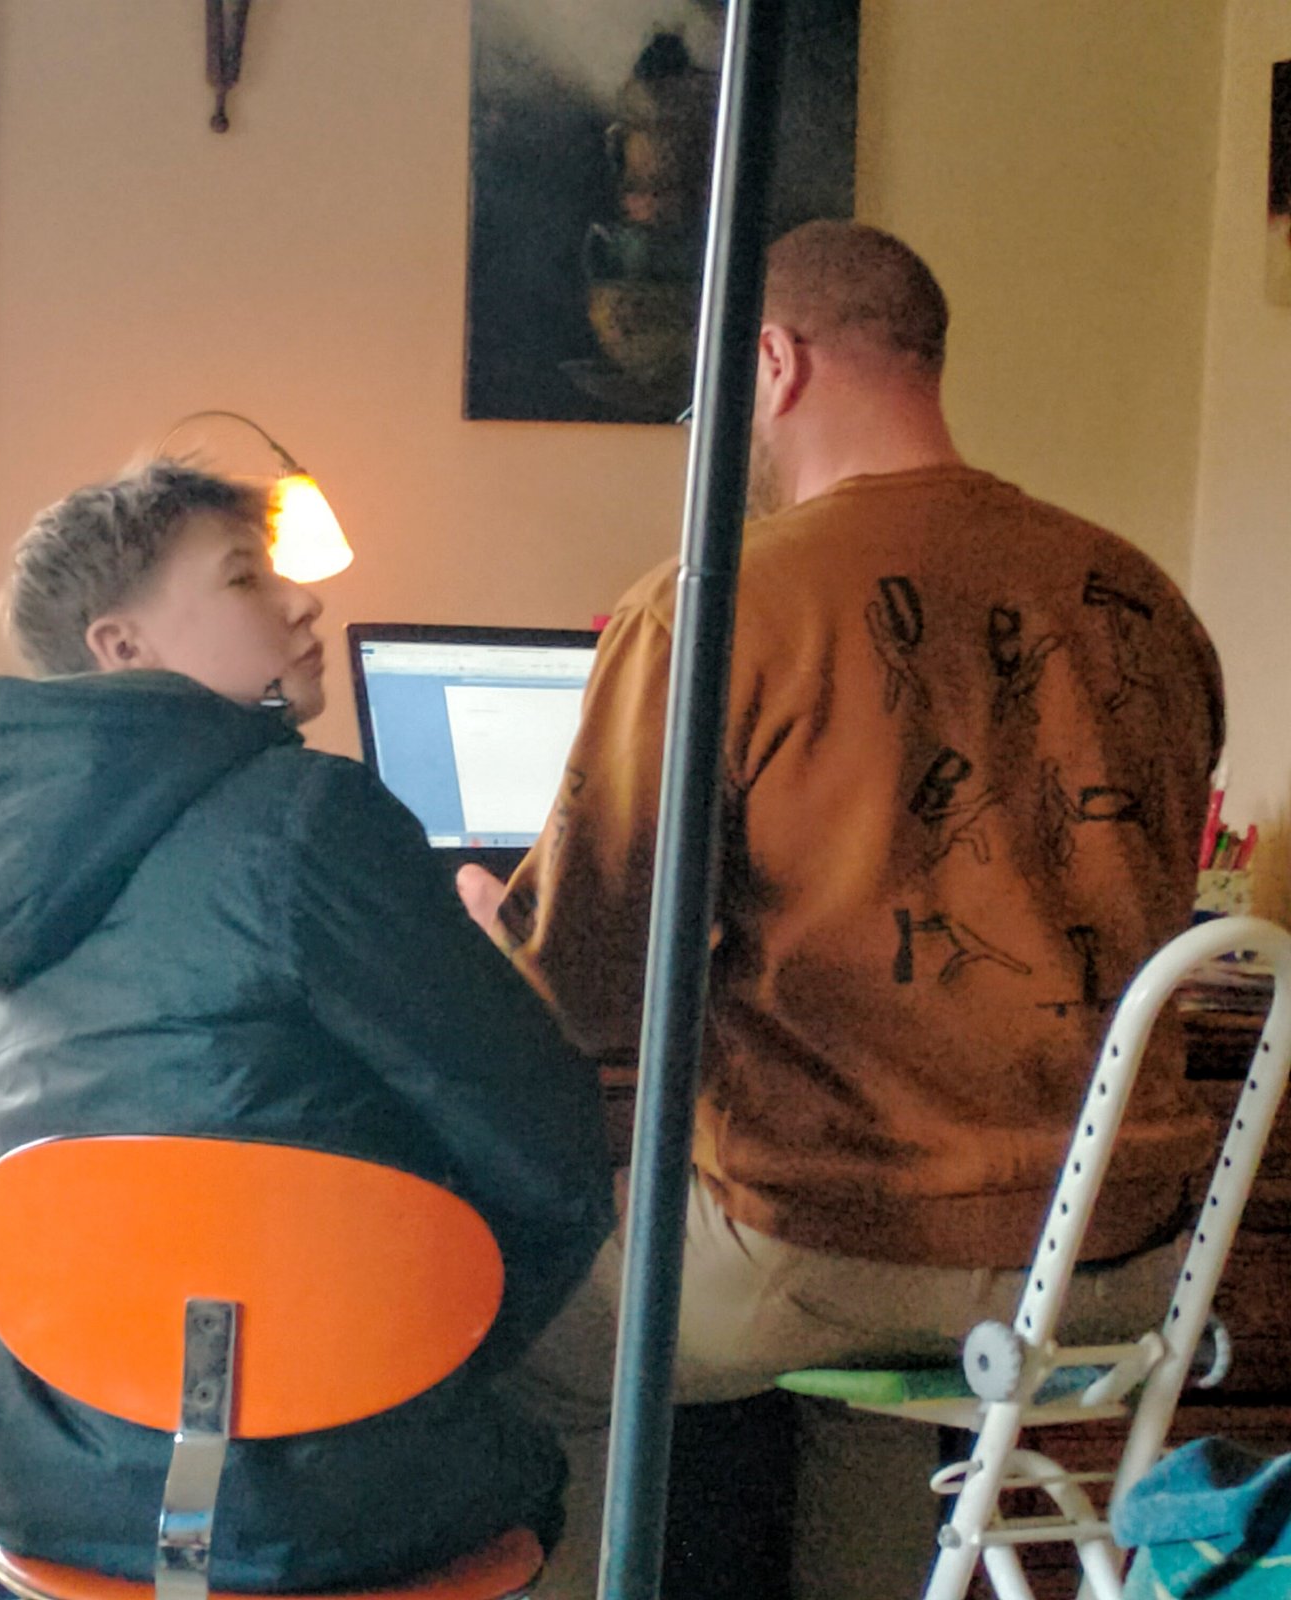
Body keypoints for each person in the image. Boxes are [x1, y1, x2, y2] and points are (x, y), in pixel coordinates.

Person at [459, 220, 1226, 1595]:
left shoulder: (717, 602)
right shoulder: (1143, 601)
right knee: (866, 1399)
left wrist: (484, 925)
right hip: (1115, 1258)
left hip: (826, 1251)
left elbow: (586, 991)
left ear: (773, 361)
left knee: (483, 1327)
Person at [0, 462, 615, 1598]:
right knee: (562, 1428)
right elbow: (552, 1149)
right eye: (247, 578)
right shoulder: (311, 818)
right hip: (322, 1502)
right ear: (122, 645)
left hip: (30, 1480)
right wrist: (430, 1347)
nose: (303, 601)